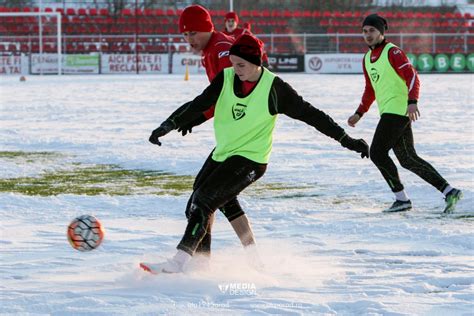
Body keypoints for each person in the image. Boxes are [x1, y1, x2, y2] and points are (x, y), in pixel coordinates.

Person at [141, 34, 369, 274]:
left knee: (204, 200)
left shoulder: (275, 88)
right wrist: (168, 124)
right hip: (225, 152)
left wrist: (347, 140)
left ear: (257, 63)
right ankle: (209, 262)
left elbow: (313, 116)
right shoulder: (227, 77)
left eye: (242, 65)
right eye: (233, 63)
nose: (236, 69)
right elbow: (199, 103)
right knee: (203, 203)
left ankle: (180, 261)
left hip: (251, 159)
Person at [347, 14, 462, 213]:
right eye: (365, 31)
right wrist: (359, 112)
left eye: (372, 31)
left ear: (382, 32)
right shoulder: (367, 59)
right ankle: (449, 191)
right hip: (391, 111)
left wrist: (412, 101)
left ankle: (402, 200)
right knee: (408, 159)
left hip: (397, 110)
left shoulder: (393, 52)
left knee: (377, 152)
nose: (368, 35)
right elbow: (370, 89)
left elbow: (412, 76)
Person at [170, 4, 258, 261]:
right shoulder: (212, 48)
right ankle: (252, 255)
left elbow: (228, 93)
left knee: (201, 200)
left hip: (243, 138)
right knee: (223, 197)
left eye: (193, 33)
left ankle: (198, 261)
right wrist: (199, 117)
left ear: (208, 28)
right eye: (184, 35)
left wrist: (196, 116)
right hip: (234, 136)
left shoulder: (220, 50)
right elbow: (220, 99)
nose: (189, 39)